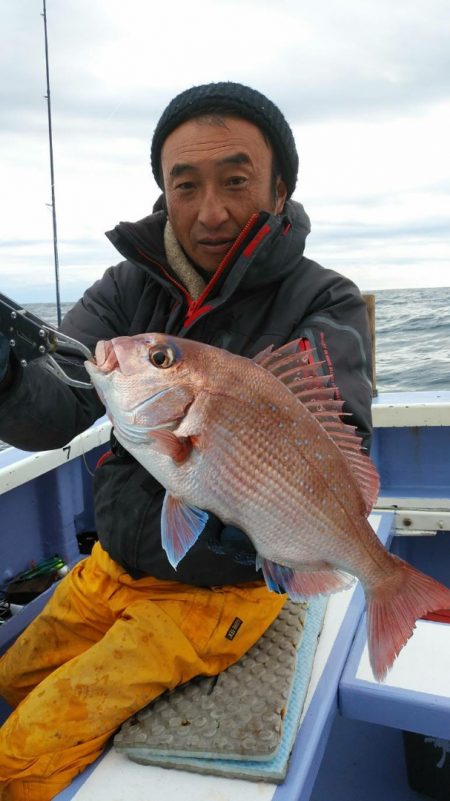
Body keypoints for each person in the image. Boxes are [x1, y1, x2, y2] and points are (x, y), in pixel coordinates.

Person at [0, 82, 373, 800]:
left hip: (215, 595)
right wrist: (7, 373)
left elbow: (339, 434)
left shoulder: (323, 299)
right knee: (8, 681)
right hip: (108, 568)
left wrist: (256, 526)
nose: (212, 211)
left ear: (279, 186)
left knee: (15, 762)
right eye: (186, 184)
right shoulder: (126, 288)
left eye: (236, 181)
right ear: (163, 192)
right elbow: (56, 411)